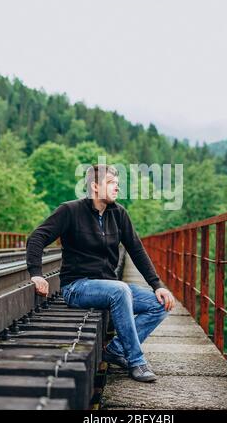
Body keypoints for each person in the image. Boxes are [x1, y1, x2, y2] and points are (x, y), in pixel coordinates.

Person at [26, 164, 175, 382]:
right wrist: (36, 273)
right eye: (111, 183)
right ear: (95, 187)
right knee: (120, 289)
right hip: (77, 287)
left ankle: (115, 350)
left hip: (110, 287)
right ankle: (136, 361)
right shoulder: (70, 211)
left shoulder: (119, 214)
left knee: (160, 304)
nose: (117, 188)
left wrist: (158, 286)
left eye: (117, 183)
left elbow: (137, 250)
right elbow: (37, 237)